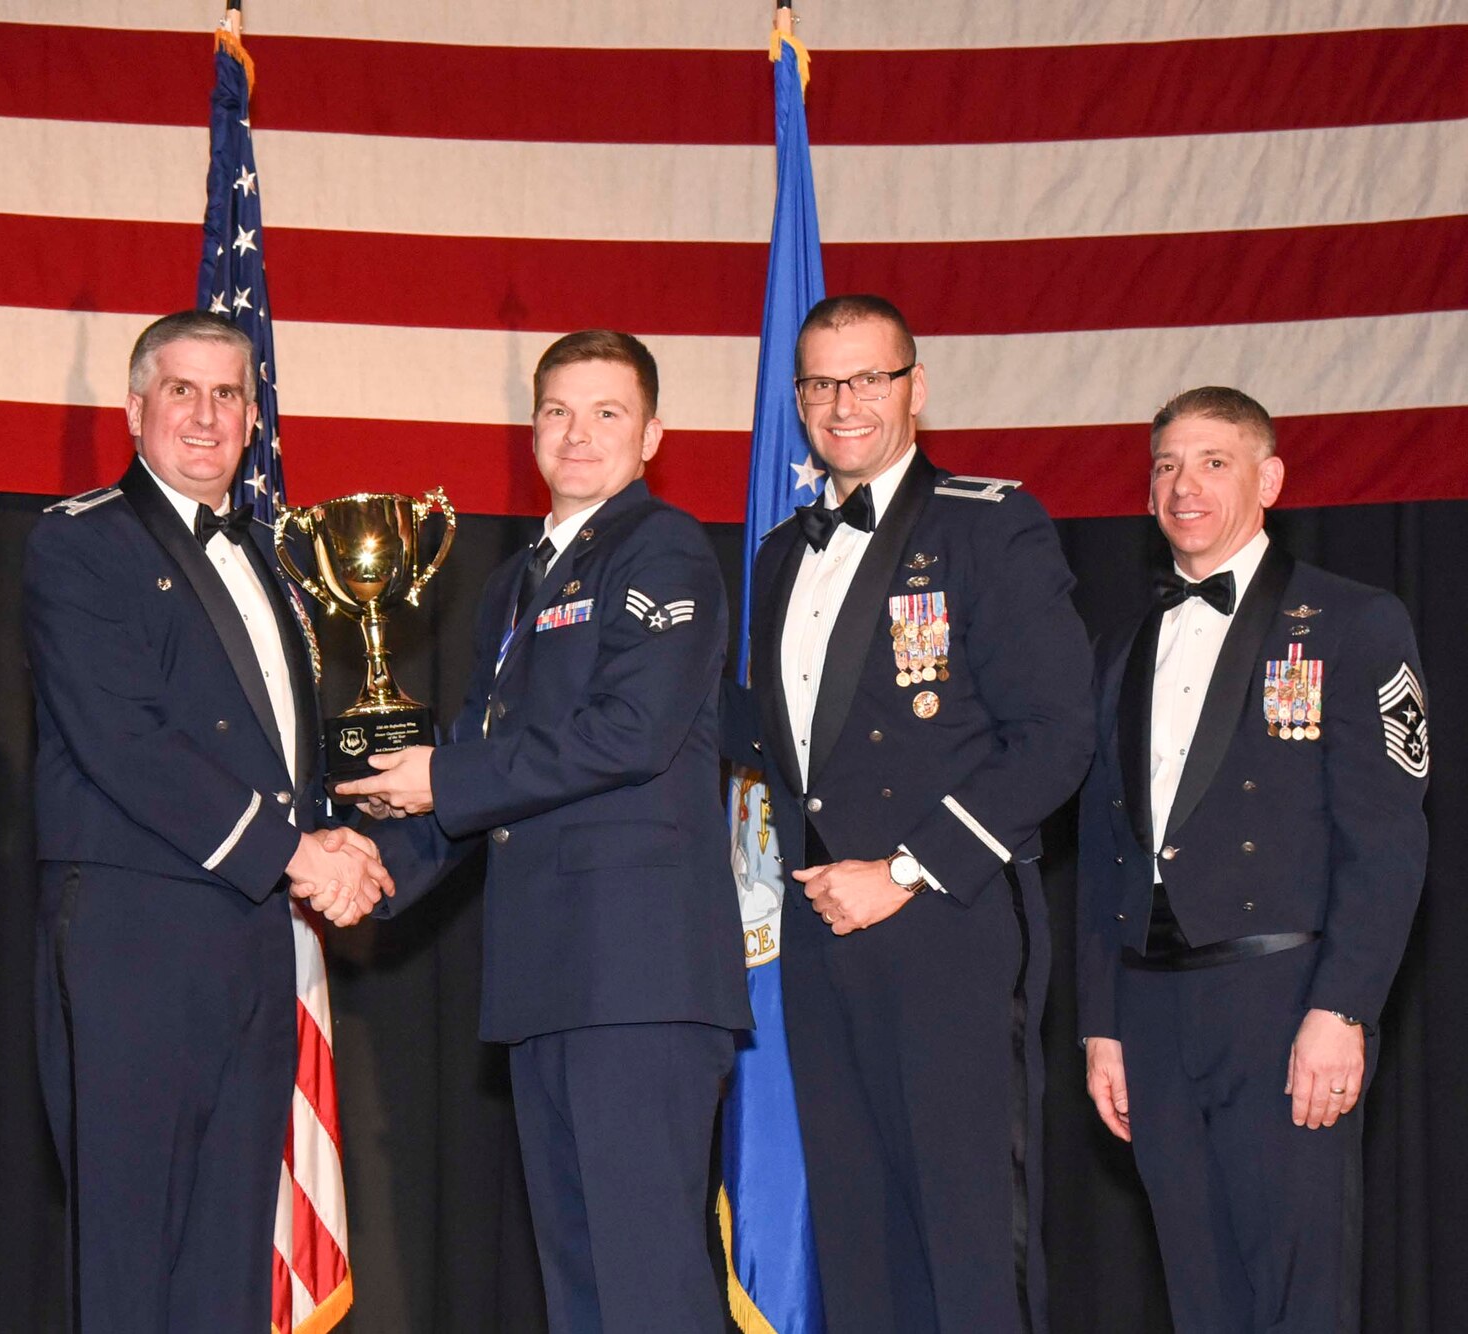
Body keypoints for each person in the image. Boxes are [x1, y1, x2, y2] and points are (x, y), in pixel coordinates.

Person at [339, 330, 751, 1334]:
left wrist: (443, 773)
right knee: (581, 1288)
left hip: (637, 980)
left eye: (607, 412)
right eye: (557, 410)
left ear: (651, 433)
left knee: (647, 1284)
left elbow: (628, 731)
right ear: (531, 429)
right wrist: (370, 863)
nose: (578, 434)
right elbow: (481, 770)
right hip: (546, 977)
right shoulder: (513, 583)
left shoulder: (663, 547)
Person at [720, 295, 1093, 1332]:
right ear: (795, 400)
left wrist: (902, 869)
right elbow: (770, 738)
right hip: (820, 923)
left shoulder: (986, 523)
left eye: (865, 379)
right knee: (857, 1228)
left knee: (966, 1228)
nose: (841, 404)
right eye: (818, 384)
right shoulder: (778, 555)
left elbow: (1058, 733)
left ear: (913, 388)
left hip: (946, 917)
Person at [23, 310, 390, 1333]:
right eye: (180, 389)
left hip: (254, 934)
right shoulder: (80, 541)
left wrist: (375, 830)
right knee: (136, 1243)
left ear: (253, 419)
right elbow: (122, 740)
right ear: (134, 406)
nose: (205, 413)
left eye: (228, 393)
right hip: (135, 935)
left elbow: (288, 755)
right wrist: (296, 854)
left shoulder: (275, 558)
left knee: (233, 1244)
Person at [1076, 387, 1428, 1331]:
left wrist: (1343, 1007)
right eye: (1165, 465)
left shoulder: (1353, 623)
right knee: (1198, 1292)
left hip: (1282, 999)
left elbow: (1388, 840)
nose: (1183, 485)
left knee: (1296, 1294)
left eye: (1212, 462)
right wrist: (1101, 1024)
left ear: (1269, 479)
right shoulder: (1123, 648)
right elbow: (1107, 847)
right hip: (1150, 1010)